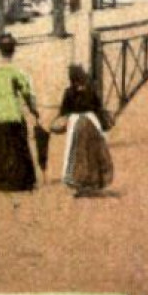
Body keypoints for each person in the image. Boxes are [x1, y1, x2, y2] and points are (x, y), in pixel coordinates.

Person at [0, 34, 39, 191]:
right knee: (17, 149)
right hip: (13, 113)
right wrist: (34, 110)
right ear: (14, 51)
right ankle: (20, 181)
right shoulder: (18, 72)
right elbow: (27, 94)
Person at [53, 65, 114, 197]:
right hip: (92, 122)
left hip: (76, 124)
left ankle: (79, 184)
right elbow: (98, 107)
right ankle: (94, 183)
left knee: (77, 155)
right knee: (94, 152)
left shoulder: (69, 92)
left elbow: (64, 111)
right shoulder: (91, 90)